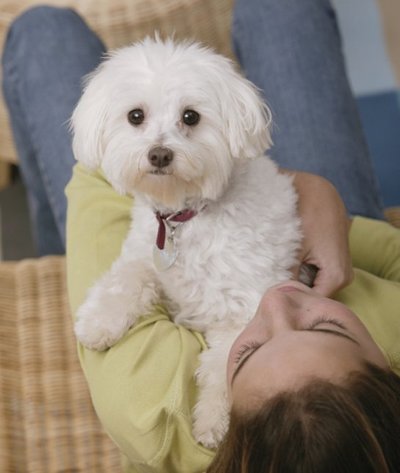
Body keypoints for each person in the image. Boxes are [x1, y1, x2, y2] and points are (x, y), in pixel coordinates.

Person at [2, 0, 399, 472]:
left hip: (200, 204)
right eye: (325, 325)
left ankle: (54, 247)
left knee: (41, 32)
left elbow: (92, 179)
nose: (278, 299)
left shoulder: (152, 412)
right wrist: (324, 199)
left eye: (188, 118)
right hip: (295, 211)